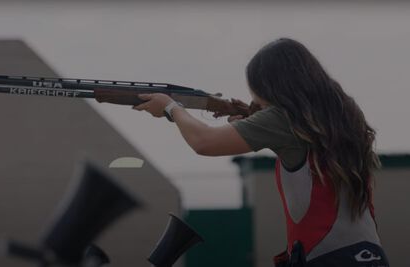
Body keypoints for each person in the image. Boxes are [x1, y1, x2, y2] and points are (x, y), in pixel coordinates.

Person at [132, 38, 390, 267]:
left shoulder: (284, 119)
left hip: (325, 259)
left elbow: (204, 142)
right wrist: (251, 119)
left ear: (270, 86)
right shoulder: (345, 115)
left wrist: (171, 107)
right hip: (370, 255)